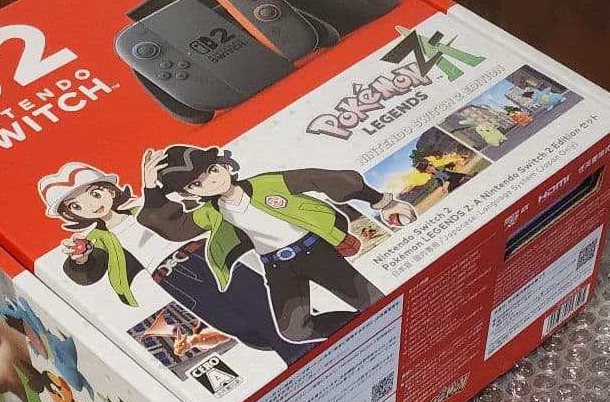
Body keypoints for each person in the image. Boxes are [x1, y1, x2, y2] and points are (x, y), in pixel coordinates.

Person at [138, 145, 416, 344]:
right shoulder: (212, 212)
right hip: (277, 267)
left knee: (377, 303)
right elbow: (176, 228)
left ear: (222, 164)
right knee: (295, 331)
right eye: (196, 184)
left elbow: (322, 178)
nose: (210, 181)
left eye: (211, 170)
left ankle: (387, 327)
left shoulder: (267, 184)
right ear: (188, 193)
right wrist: (150, 189)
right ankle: (367, 332)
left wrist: (382, 201)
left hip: (314, 251)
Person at [38, 162, 304, 365]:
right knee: (231, 322)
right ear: (70, 215)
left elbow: (176, 215)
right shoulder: (97, 239)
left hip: (200, 255)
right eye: (76, 206)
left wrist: (151, 187)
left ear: (109, 190)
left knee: (259, 301)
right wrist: (80, 258)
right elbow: (87, 273)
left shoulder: (143, 206)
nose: (90, 206)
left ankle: (298, 349)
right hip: (171, 277)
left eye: (95, 194)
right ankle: (280, 344)